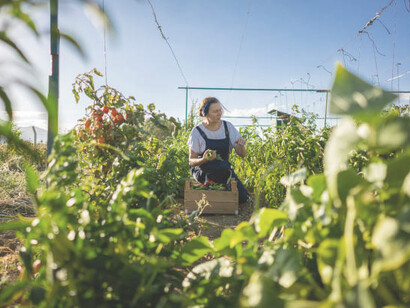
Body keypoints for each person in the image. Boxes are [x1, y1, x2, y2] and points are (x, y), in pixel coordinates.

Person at [187, 96, 249, 204]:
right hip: (203, 170)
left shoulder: (227, 127)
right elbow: (191, 161)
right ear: (206, 114)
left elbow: (242, 154)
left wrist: (241, 146)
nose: (219, 113)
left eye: (220, 110)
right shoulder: (197, 131)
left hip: (224, 170)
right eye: (215, 111)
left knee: (243, 198)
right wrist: (204, 159)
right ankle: (209, 188)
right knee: (216, 197)